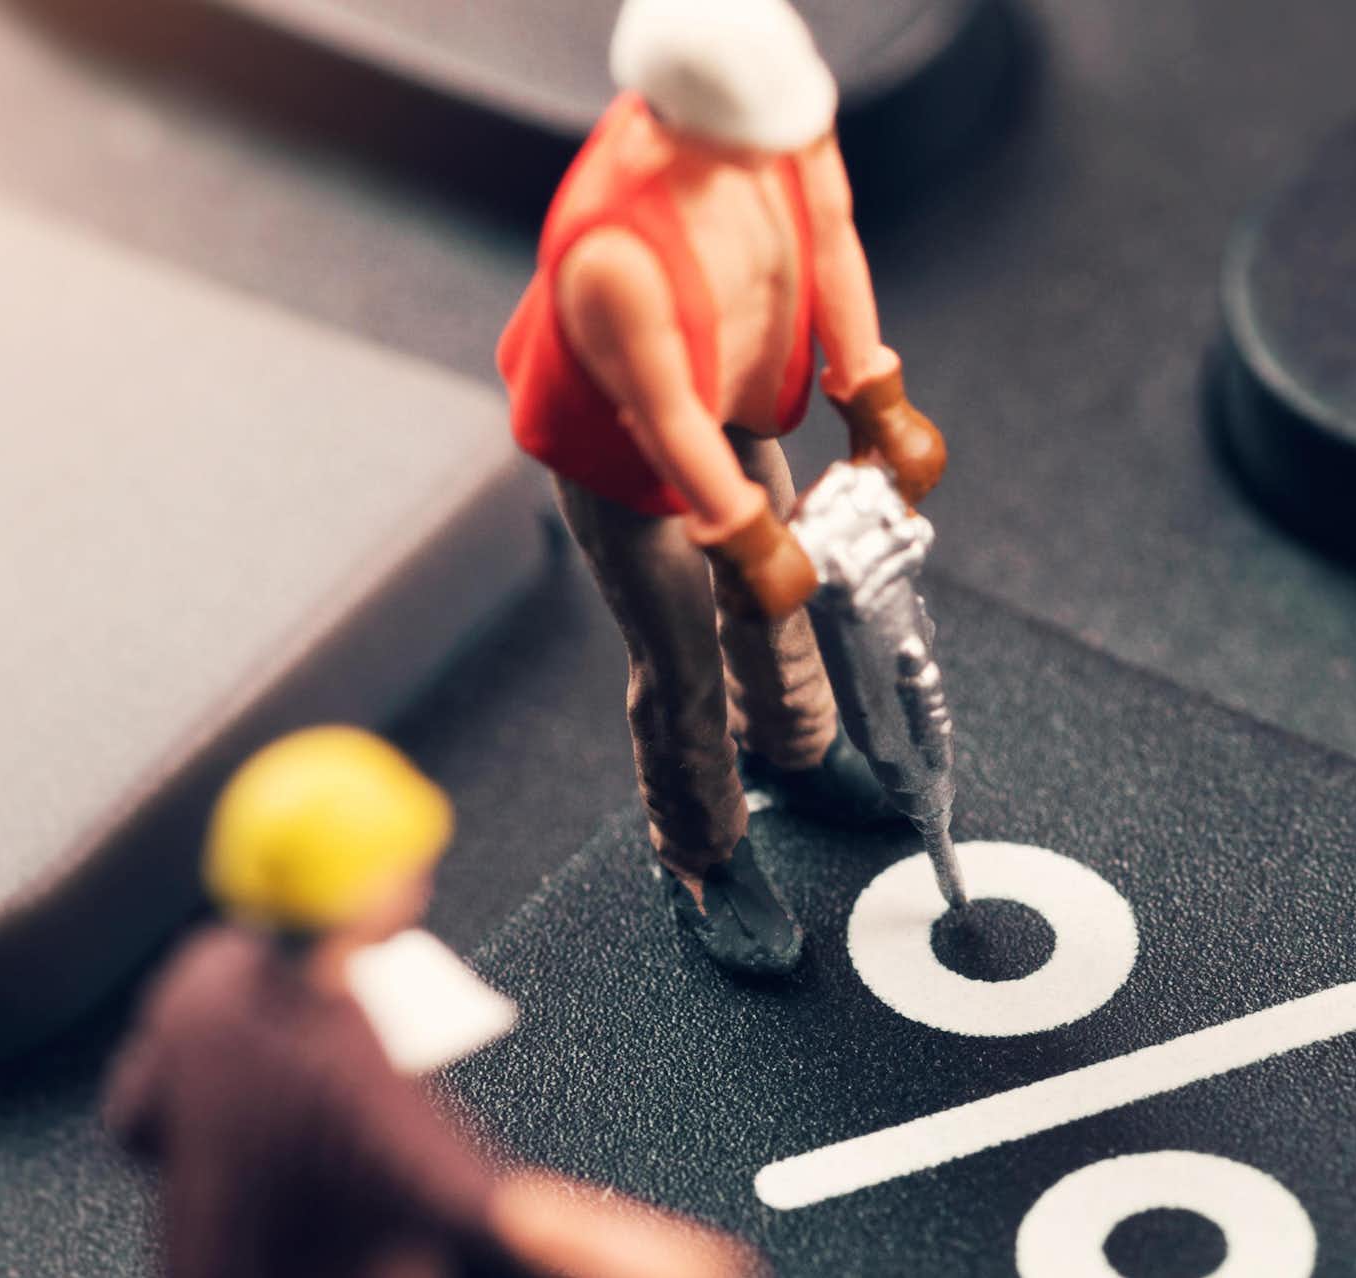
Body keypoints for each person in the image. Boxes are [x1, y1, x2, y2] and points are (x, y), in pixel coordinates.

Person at [496, 0, 947, 976]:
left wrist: (872, 394)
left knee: (778, 607)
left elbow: (829, 237)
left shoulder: (780, 123)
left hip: (739, 393)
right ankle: (700, 851)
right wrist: (747, 535)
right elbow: (662, 422)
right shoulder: (611, 254)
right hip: (632, 469)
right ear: (680, 121)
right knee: (680, 656)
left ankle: (795, 743)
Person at [103, 727, 763, 1278]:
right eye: (406, 867)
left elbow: (134, 1118)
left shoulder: (201, 978)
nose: (423, 880)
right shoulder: (333, 1061)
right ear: (358, 895)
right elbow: (491, 1208)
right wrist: (677, 1259)